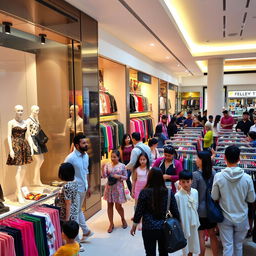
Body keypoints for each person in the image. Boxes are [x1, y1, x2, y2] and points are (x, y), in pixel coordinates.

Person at [211, 146, 255, 256]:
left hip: (225, 217)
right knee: (238, 246)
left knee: (227, 246)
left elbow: (214, 196)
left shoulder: (218, 176)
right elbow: (252, 199)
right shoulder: (247, 178)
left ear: (224, 157)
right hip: (242, 216)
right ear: (239, 158)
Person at [130, 168, 180, 256]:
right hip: (164, 228)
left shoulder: (144, 192)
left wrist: (134, 225)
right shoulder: (168, 192)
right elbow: (175, 211)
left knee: (150, 253)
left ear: (149, 178)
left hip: (148, 227)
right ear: (161, 178)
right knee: (164, 252)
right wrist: (179, 226)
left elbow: (139, 210)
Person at [64, 134, 93, 243]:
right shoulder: (70, 158)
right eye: (83, 143)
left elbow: (86, 171)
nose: (86, 145)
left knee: (78, 211)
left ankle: (85, 231)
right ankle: (76, 240)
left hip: (83, 188)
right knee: (74, 214)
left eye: (86, 142)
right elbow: (63, 170)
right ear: (77, 145)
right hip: (75, 189)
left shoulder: (85, 156)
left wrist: (89, 187)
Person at [192, 151, 219, 256]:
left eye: (197, 158)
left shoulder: (195, 175)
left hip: (200, 210)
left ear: (202, 160)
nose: (195, 160)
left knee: (201, 235)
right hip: (212, 209)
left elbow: (193, 193)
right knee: (212, 235)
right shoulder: (214, 173)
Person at [102, 150, 128, 233]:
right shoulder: (108, 165)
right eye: (111, 157)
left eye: (114, 157)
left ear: (118, 157)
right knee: (109, 206)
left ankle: (123, 219)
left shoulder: (122, 166)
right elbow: (104, 176)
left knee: (118, 206)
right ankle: (111, 224)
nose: (113, 158)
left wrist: (119, 176)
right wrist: (103, 169)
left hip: (118, 188)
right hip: (109, 187)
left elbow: (126, 177)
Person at [175, 171, 200, 256]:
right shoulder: (177, 196)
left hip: (193, 222)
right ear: (180, 182)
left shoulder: (195, 192)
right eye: (183, 182)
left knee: (193, 242)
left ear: (191, 181)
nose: (185, 184)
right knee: (185, 244)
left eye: (188, 181)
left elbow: (196, 206)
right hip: (184, 223)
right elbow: (177, 211)